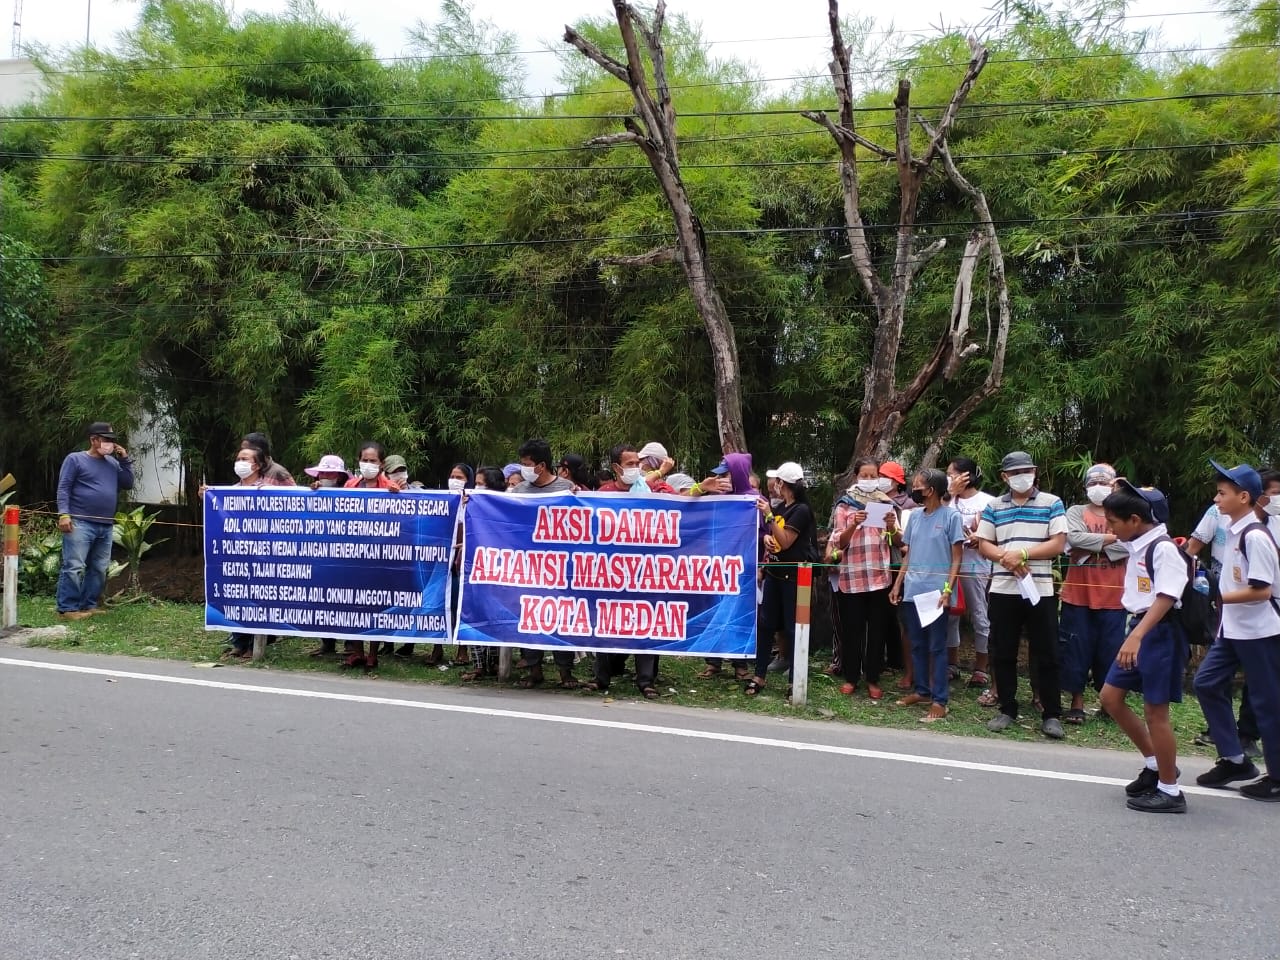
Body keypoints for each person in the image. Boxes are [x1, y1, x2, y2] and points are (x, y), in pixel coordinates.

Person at [1097, 481, 1190, 813]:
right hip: (1141, 628)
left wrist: (1137, 636)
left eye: (1113, 521)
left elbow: (1167, 596)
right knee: (1110, 696)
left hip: (1159, 633)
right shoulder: (1139, 545)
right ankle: (1156, 764)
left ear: (1135, 520)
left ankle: (1170, 790)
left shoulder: (1163, 549)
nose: (1110, 527)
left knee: (1156, 711)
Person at [1192, 461, 1280, 802]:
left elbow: (1261, 590)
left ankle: (1276, 777)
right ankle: (1235, 759)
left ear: (1244, 497)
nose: (1216, 499)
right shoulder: (1234, 532)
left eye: (1222, 493)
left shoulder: (1255, 536)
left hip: (1261, 631)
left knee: (1267, 702)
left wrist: (1217, 597)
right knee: (1206, 683)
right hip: (1234, 629)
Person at [975, 451, 1068, 740]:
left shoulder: (1051, 502)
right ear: (1004, 476)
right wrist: (1007, 557)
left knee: (1048, 652)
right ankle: (1007, 708)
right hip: (1003, 588)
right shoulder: (994, 506)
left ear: (1035, 471)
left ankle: (1051, 713)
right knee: (1003, 650)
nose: (1021, 476)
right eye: (1014, 473)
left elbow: (1059, 543)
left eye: (1026, 470)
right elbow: (983, 543)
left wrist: (1024, 553)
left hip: (1039, 588)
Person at [890, 469, 964, 722]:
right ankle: (922, 690)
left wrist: (947, 590)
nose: (914, 489)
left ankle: (940, 700)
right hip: (913, 591)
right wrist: (897, 584)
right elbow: (908, 555)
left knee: (936, 647)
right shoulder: (915, 518)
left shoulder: (952, 516)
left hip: (935, 594)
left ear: (931, 490)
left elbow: (957, 558)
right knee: (917, 644)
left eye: (918, 486)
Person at [1059, 463, 1129, 724]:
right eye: (1092, 482)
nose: (1098, 487)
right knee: (1076, 649)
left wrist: (1090, 546)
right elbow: (1073, 539)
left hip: (1114, 597)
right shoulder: (1076, 511)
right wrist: (1111, 539)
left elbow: (1129, 544)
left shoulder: (1126, 512)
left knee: (1110, 653)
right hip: (1078, 595)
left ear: (1113, 485)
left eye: (1104, 482)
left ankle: (1108, 703)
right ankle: (1076, 703)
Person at [511, 439, 580, 689]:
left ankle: (565, 672)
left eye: (527, 464)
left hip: (560, 568)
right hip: (527, 567)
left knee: (561, 619)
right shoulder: (519, 492)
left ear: (541, 465)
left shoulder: (566, 489)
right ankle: (534, 669)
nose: (523, 468)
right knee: (527, 618)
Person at [746, 462, 818, 697]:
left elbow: (786, 540)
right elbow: (775, 537)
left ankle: (794, 681)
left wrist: (767, 515)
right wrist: (767, 539)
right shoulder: (781, 508)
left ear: (784, 484)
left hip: (795, 577)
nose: (774, 485)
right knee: (766, 625)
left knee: (792, 628)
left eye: (777, 481)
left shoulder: (801, 510)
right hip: (775, 573)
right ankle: (759, 675)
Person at [829, 458, 896, 700]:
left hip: (879, 575)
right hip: (853, 576)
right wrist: (853, 525)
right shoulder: (845, 504)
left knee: (877, 631)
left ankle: (873, 678)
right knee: (852, 629)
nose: (869, 480)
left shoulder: (886, 502)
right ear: (856, 477)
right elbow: (839, 542)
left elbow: (895, 541)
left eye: (872, 476)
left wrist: (891, 527)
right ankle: (851, 677)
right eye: (864, 476)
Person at [55, 421, 135, 620]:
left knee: (99, 568)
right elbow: (64, 487)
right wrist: (64, 514)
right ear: (93, 440)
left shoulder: (113, 463)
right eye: (106, 440)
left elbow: (128, 483)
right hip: (80, 521)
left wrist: (124, 459)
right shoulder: (75, 459)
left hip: (105, 524)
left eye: (112, 441)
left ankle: (88, 604)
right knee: (74, 566)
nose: (110, 444)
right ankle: (67, 609)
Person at [220, 445, 293, 658]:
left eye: (245, 458)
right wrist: (205, 497)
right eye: (238, 458)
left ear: (258, 465)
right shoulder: (228, 491)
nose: (240, 462)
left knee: (259, 598)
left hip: (263, 555)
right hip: (235, 555)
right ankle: (239, 642)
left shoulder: (269, 490)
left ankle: (255, 644)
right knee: (236, 596)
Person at [696, 453, 758, 681]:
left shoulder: (752, 500)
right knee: (715, 611)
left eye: (726, 474)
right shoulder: (715, 498)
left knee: (739, 614)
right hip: (716, 564)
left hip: (743, 567)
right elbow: (686, 506)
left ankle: (740, 664)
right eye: (719, 474)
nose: (721, 478)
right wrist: (702, 489)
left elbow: (763, 532)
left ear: (739, 473)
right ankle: (713, 661)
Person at [342, 442, 401, 670]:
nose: (368, 464)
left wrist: (398, 497)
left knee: (376, 603)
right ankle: (356, 651)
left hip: (380, 556)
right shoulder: (350, 485)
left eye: (372, 461)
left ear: (381, 463)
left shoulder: (391, 487)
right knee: (352, 602)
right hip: (353, 555)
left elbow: (403, 520)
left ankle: (373, 654)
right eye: (364, 460)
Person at [944, 457, 994, 690]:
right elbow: (935, 518)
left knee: (979, 614)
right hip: (947, 565)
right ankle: (951, 664)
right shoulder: (946, 500)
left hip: (976, 566)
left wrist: (981, 538)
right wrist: (948, 493)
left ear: (967, 476)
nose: (949, 478)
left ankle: (981, 668)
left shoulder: (989, 502)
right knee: (950, 614)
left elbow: (998, 534)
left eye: (952, 474)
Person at [302, 454, 350, 657]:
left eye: (328, 473)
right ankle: (327, 643)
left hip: (347, 557)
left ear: (339, 476)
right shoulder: (316, 493)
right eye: (321, 472)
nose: (323, 476)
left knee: (348, 602)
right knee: (322, 600)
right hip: (321, 556)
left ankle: (350, 646)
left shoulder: (353, 493)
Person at [598, 444, 675, 494]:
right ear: (616, 468)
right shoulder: (604, 493)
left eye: (637, 464)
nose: (635, 468)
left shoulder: (652, 489)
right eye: (630, 464)